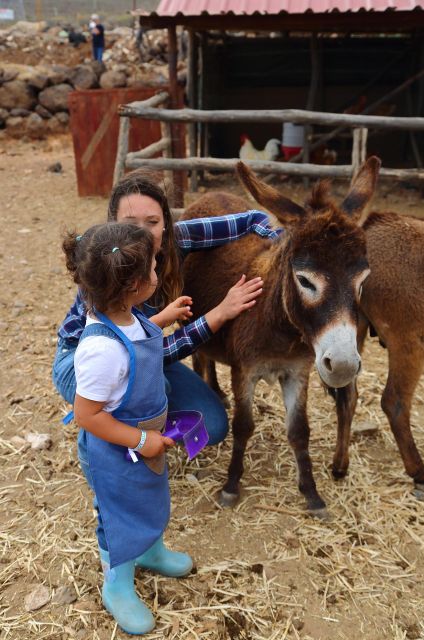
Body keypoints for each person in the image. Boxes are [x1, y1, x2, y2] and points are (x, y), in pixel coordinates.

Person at [64, 221, 263, 634]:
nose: (160, 274)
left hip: (145, 442)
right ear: (136, 285)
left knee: (149, 498)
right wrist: (140, 440)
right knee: (116, 515)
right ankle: (117, 582)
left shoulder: (128, 314)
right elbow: (87, 415)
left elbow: (138, 334)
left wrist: (164, 318)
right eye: (155, 269)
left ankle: (150, 549)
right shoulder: (100, 350)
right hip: (115, 448)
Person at [52, 170, 282, 445]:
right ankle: (105, 432)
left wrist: (281, 244)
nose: (142, 233)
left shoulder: (176, 242)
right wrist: (218, 314)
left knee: (212, 425)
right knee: (156, 388)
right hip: (87, 359)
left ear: (165, 225)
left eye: (152, 222)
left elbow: (252, 220)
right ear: (113, 224)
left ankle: (137, 419)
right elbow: (130, 352)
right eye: (130, 223)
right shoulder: (106, 270)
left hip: (143, 350)